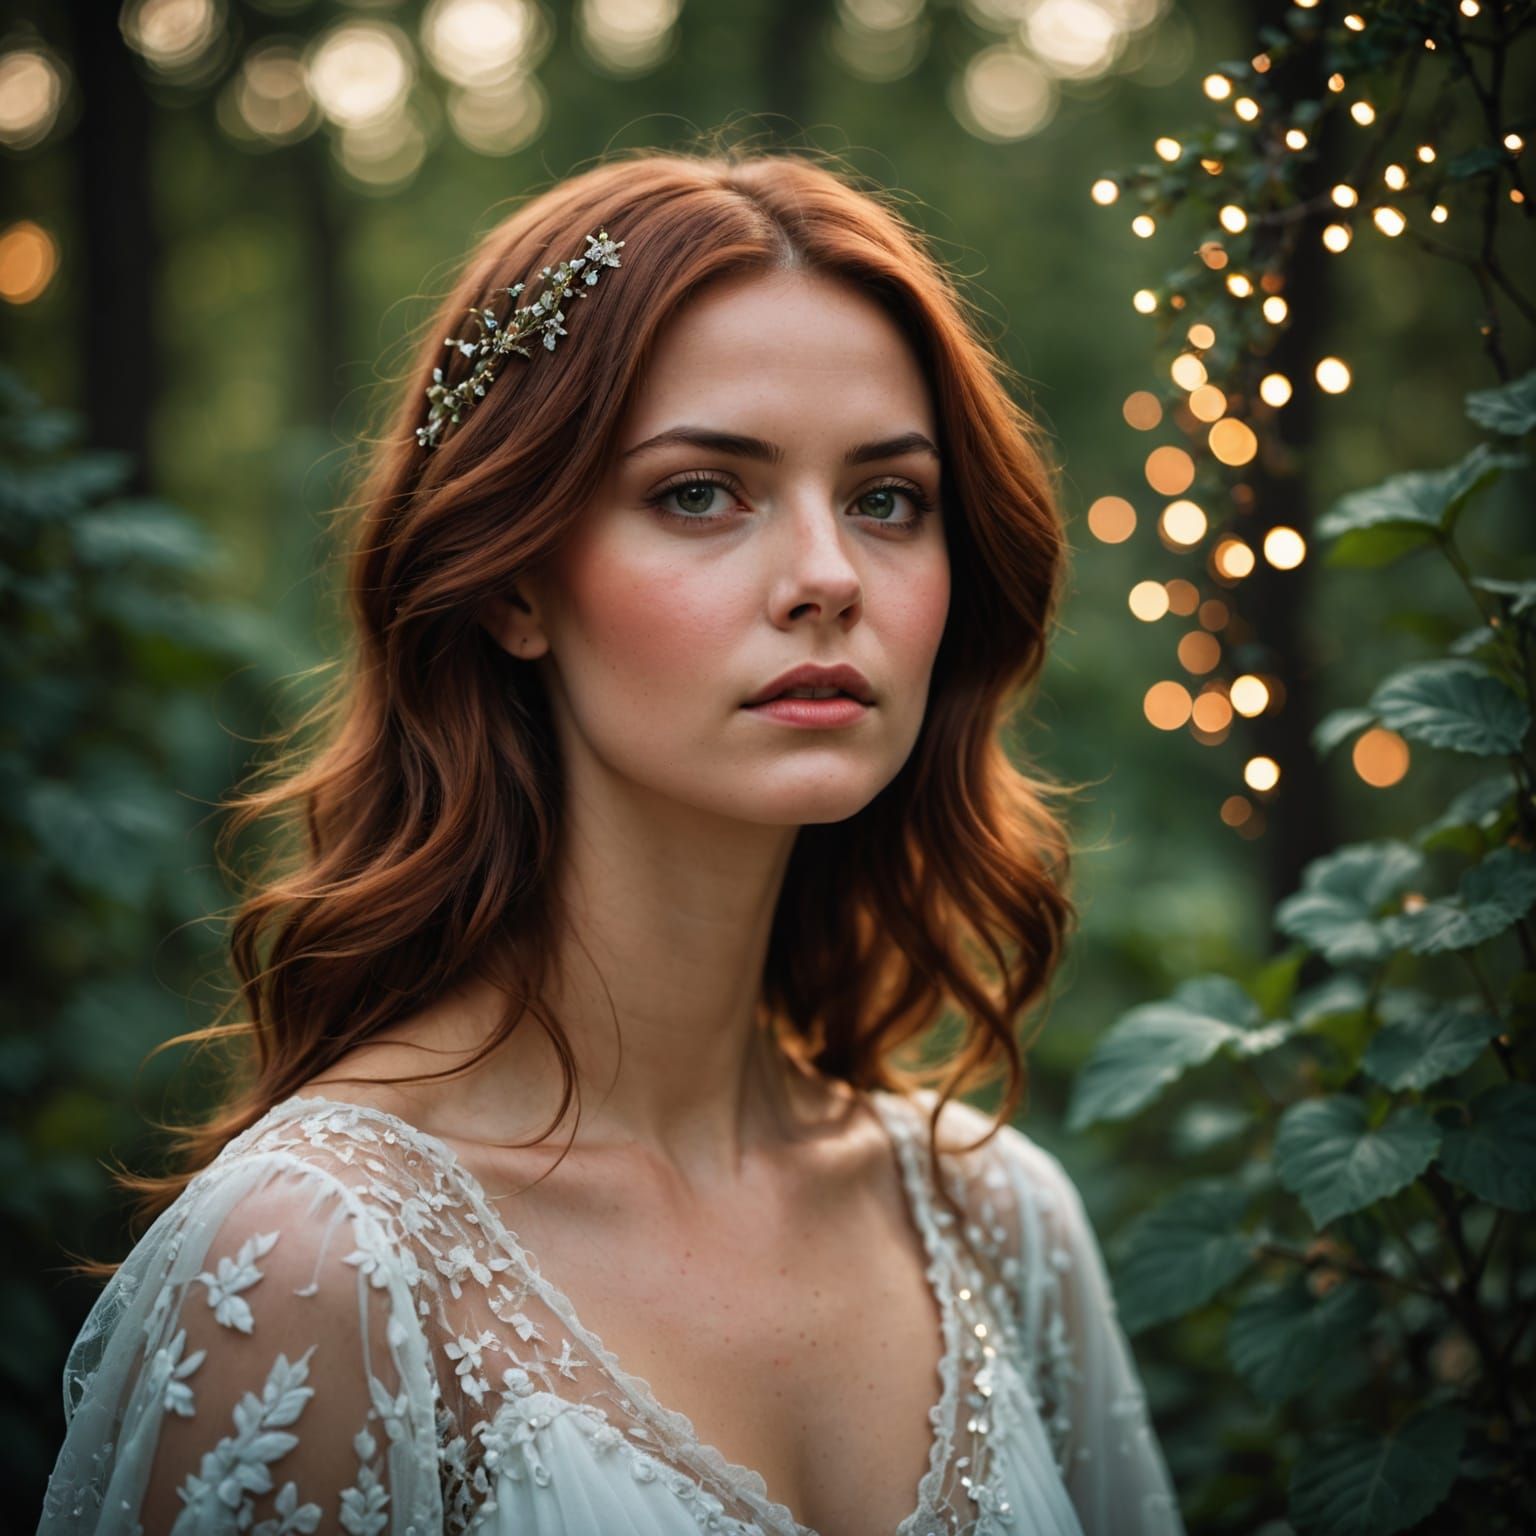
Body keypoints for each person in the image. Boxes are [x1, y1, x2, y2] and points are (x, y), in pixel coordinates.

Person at [38, 144, 1185, 1536]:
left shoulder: (999, 1223)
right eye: (702, 492)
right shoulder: (318, 1263)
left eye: (889, 499)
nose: (828, 575)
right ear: (516, 579)